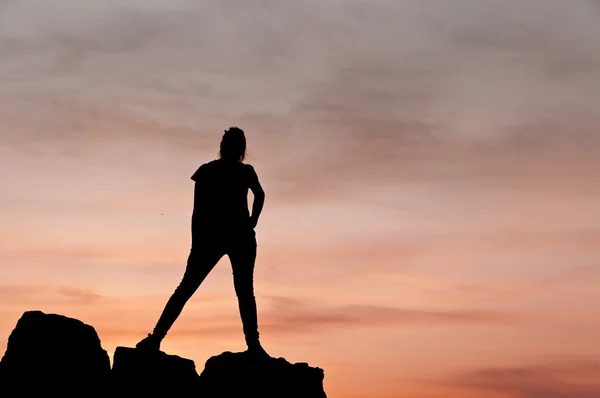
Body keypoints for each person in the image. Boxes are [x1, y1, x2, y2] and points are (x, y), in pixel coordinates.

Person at [136, 127, 268, 358]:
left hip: (219, 238)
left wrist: (250, 223)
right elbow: (259, 195)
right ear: (241, 149)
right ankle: (253, 346)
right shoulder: (226, 171)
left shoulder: (212, 171)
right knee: (243, 292)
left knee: (190, 289)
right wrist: (252, 222)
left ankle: (156, 338)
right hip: (229, 237)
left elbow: (198, 212)